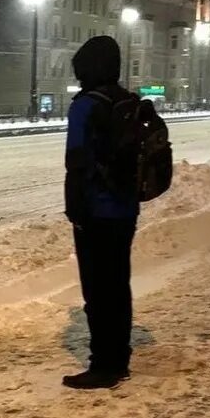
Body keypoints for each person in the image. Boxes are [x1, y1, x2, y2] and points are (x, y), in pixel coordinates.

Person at [62, 35, 141, 390]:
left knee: (97, 289)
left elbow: (76, 163)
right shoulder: (127, 101)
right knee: (118, 284)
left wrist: (76, 211)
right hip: (125, 209)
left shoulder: (86, 106)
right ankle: (119, 358)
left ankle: (103, 365)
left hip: (95, 211)